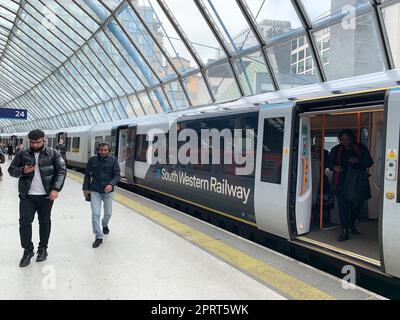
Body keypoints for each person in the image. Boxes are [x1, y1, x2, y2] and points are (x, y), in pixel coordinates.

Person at [8, 129, 67, 267]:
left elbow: (62, 171)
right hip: (27, 195)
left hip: (46, 195)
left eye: (37, 142)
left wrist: (55, 188)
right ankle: (28, 250)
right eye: (32, 142)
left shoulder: (53, 153)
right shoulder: (22, 153)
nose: (34, 145)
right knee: (24, 223)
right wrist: (23, 170)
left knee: (44, 222)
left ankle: (43, 249)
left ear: (44, 140)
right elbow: (11, 170)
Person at [328, 129, 373, 242]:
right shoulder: (336, 149)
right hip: (341, 182)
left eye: (347, 139)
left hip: (357, 183)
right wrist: (334, 168)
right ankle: (344, 231)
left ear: (352, 138)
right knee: (343, 207)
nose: (345, 141)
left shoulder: (360, 148)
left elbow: (369, 162)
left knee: (356, 206)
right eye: (342, 139)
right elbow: (329, 163)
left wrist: (358, 160)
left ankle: (352, 224)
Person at [83, 142, 121, 248]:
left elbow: (117, 175)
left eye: (105, 150)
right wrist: (85, 189)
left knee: (108, 213)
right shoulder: (92, 160)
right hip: (95, 190)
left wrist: (111, 184)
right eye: (101, 150)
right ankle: (98, 237)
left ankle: (104, 224)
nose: (103, 152)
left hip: (109, 191)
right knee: (95, 214)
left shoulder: (113, 160)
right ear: (98, 150)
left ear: (108, 151)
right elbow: (87, 175)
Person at [311, 136, 331, 226]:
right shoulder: (308, 149)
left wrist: (320, 163)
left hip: (319, 175)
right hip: (308, 175)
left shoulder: (326, 152)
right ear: (315, 141)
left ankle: (316, 214)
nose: (319, 143)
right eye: (318, 141)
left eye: (321, 141)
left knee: (317, 195)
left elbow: (327, 164)